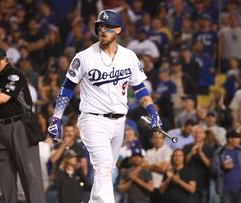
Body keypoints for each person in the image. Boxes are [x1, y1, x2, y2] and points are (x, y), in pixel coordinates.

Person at [47, 10, 162, 203]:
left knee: (107, 170)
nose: (103, 30)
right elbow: (66, 88)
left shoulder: (129, 56)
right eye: (100, 26)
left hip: (119, 122)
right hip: (92, 119)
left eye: (108, 27)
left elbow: (140, 88)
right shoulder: (83, 57)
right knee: (104, 165)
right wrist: (56, 118)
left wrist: (152, 111)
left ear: (118, 30)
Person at [0, 45, 46, 203]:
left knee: (30, 174)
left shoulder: (14, 75)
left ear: (2, 60)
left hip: (20, 125)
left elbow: (1, 99)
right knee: (4, 178)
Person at [211, 129, 241, 203]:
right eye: (237, 138)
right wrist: (223, 167)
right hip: (225, 190)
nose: (239, 140)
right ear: (230, 139)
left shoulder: (240, 151)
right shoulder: (219, 152)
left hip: (240, 189)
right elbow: (213, 171)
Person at [143, 131, 173, 203]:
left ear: (163, 140)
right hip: (150, 185)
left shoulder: (167, 150)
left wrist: (150, 165)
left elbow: (163, 168)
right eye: (156, 138)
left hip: (163, 186)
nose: (158, 140)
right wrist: (157, 165)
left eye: (160, 138)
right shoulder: (149, 152)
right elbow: (143, 166)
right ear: (152, 139)